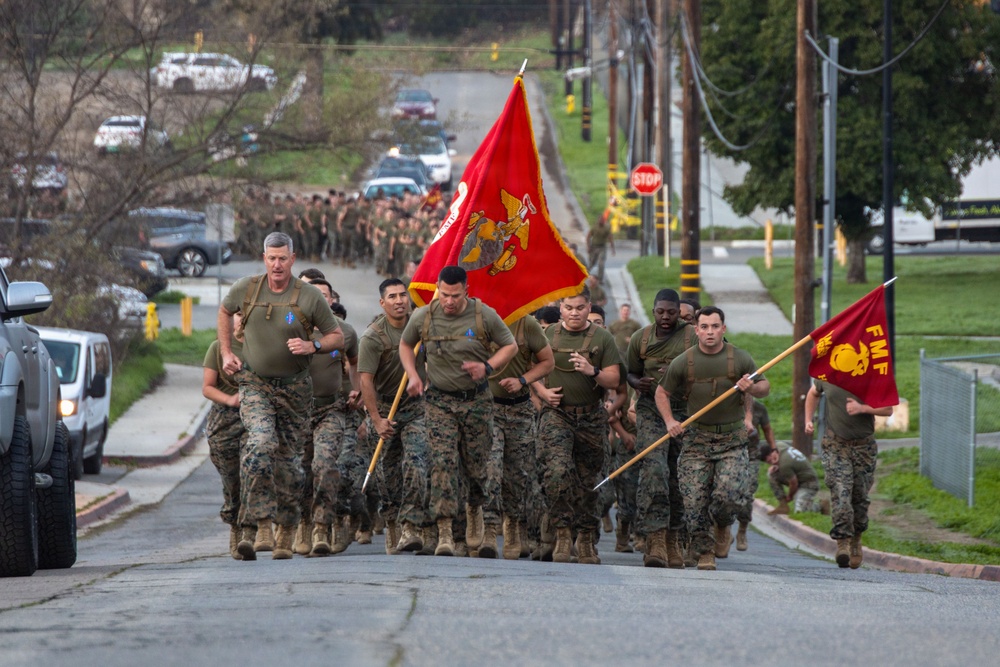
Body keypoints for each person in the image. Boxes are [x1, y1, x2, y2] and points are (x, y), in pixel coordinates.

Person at [218, 231, 343, 561]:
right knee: (260, 445)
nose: (277, 264)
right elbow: (224, 310)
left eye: (282, 258)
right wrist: (227, 352)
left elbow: (336, 336)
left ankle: (286, 529)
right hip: (256, 384)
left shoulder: (309, 297)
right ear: (264, 258)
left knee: (290, 464)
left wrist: (312, 345)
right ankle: (259, 525)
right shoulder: (247, 289)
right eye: (271, 258)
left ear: (292, 258)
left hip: (295, 389)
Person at [399, 266, 518, 557]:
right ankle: (445, 531)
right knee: (442, 463)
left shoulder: (483, 315)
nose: (449, 301)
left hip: (476, 402)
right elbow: (405, 344)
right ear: (438, 288)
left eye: (454, 295)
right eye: (444, 294)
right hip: (439, 401)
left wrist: (487, 366)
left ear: (466, 289)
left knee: (477, 466)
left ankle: (475, 506)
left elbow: (510, 346)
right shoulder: (424, 315)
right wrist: (414, 375)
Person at [655, 306, 770, 571]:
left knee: (728, 495)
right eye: (704, 327)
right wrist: (670, 421)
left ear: (723, 329)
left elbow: (764, 387)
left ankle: (722, 523)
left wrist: (751, 387)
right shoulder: (684, 361)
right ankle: (704, 552)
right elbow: (662, 393)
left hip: (731, 440)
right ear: (696, 330)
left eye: (715, 326)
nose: (710, 332)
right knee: (694, 501)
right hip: (696, 441)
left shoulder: (739, 358)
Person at [533, 286, 621, 564]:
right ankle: (561, 534)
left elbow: (614, 380)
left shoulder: (603, 338)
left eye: (580, 308)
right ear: (560, 307)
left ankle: (585, 538)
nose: (574, 313)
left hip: (591, 417)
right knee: (557, 474)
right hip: (557, 415)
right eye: (569, 308)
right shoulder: (547, 336)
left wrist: (591, 370)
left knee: (589, 482)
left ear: (588, 307)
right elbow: (528, 370)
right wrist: (542, 392)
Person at [358, 278, 432, 556]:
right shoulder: (373, 336)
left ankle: (411, 525)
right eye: (392, 297)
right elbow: (366, 381)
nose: (399, 300)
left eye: (403, 295)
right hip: (385, 408)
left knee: (416, 464)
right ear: (382, 303)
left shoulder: (421, 328)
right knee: (386, 476)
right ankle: (392, 520)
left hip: (415, 408)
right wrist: (376, 420)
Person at [625, 289, 695, 568]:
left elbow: (713, 359)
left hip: (686, 413)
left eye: (672, 312)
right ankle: (655, 538)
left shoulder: (692, 336)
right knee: (655, 471)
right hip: (651, 412)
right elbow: (630, 371)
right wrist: (635, 383)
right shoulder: (640, 338)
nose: (666, 317)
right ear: (653, 311)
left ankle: (674, 538)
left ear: (679, 312)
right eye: (661, 312)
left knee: (680, 477)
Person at [294, 278, 359, 557]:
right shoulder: (293, 328)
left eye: (324, 295)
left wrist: (356, 390)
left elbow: (356, 363)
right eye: (313, 295)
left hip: (330, 410)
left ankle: (322, 525)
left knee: (325, 464)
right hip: (296, 411)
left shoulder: (344, 332)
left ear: (331, 300)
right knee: (300, 471)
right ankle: (302, 523)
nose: (319, 299)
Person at [805, 380, 893, 569]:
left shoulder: (870, 376)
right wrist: (808, 419)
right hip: (836, 445)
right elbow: (813, 393)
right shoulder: (828, 375)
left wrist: (862, 408)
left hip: (864, 447)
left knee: (859, 498)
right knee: (841, 492)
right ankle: (843, 541)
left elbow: (888, 409)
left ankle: (856, 539)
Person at [486, 314, 554, 559]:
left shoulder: (528, 324)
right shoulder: (479, 319)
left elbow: (547, 362)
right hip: (487, 408)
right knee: (491, 469)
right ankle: (489, 529)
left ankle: (513, 526)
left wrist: (523, 380)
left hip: (519, 409)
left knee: (517, 474)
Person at [202, 312, 248, 560]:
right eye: (237, 314)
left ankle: (250, 530)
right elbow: (207, 387)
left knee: (253, 469)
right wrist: (230, 399)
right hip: (225, 419)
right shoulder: (218, 348)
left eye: (245, 314)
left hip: (256, 416)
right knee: (231, 478)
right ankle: (236, 524)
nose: (240, 319)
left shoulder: (259, 346)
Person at [734, 398, 776, 551]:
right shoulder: (728, 401)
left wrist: (774, 449)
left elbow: (767, 429)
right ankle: (722, 530)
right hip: (728, 453)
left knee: (747, 493)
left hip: (751, 456)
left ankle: (742, 530)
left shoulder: (759, 408)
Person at [759, 441, 823, 516]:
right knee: (771, 474)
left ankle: (821, 506)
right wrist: (776, 465)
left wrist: (790, 496)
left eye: (771, 459)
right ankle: (783, 505)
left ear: (773, 451)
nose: (772, 462)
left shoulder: (785, 465)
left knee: (800, 511)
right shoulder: (780, 445)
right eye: (769, 462)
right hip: (798, 477)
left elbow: (793, 483)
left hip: (809, 483)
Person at [586, 206, 615, 282]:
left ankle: (600, 279)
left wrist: (613, 249)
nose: (601, 221)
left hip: (602, 247)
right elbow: (588, 237)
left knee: (601, 264)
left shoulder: (606, 228)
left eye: (603, 219)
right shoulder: (594, 227)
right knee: (591, 263)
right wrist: (588, 247)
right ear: (598, 220)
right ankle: (582, 276)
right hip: (594, 247)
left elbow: (610, 238)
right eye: (600, 219)